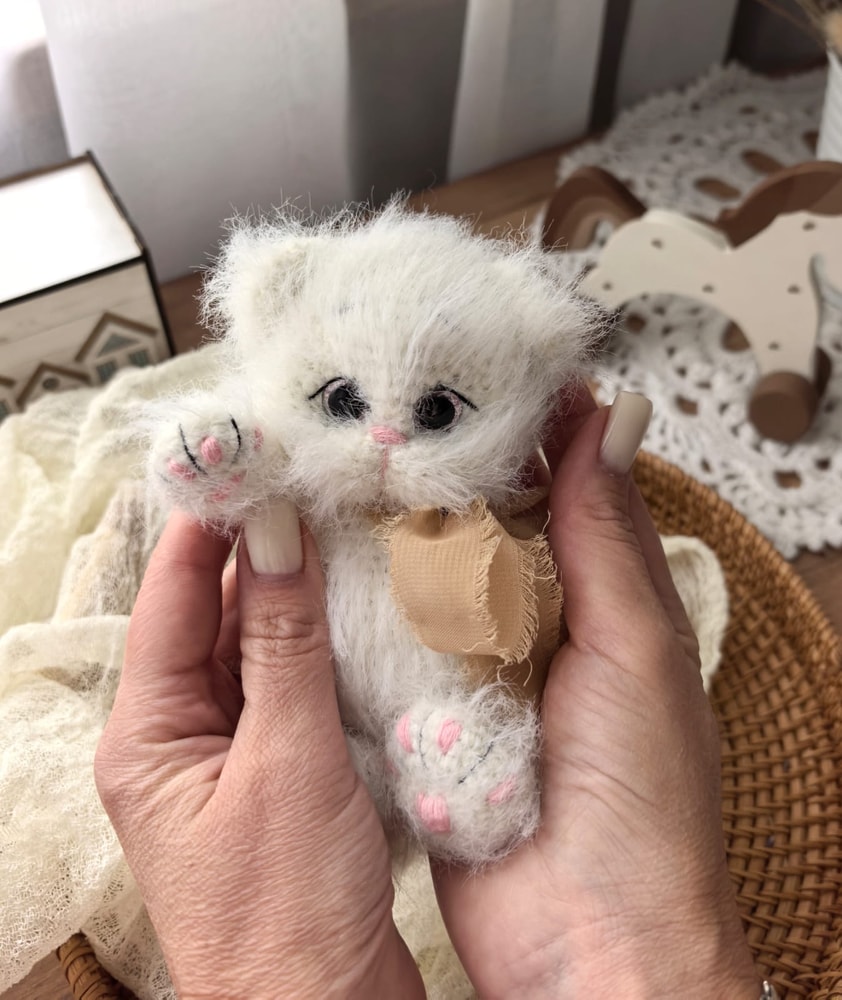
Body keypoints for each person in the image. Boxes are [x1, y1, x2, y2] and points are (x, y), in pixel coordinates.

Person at [95, 390, 768, 999]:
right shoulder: (307, 471)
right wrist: (230, 470)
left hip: (454, 714)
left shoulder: (490, 520)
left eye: (437, 410)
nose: (385, 439)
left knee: (474, 727)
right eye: (343, 399)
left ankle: (458, 792)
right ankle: (399, 781)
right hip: (335, 748)